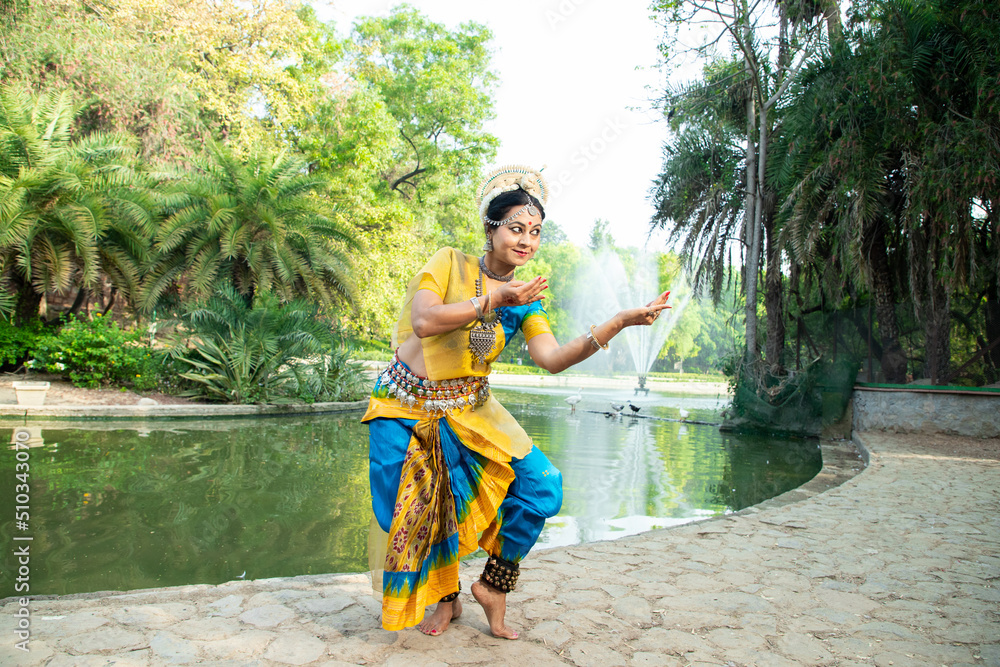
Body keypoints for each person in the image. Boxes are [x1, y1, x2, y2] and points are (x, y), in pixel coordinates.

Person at [361, 164, 671, 640]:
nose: (526, 240)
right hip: (402, 404)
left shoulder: (527, 299)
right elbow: (424, 322)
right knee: (405, 512)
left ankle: (493, 585)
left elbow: (552, 359)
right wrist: (492, 299)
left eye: (536, 232)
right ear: (491, 228)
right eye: (516, 228)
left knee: (544, 486)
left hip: (468, 409)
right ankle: (447, 598)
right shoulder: (449, 263)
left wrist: (621, 321)